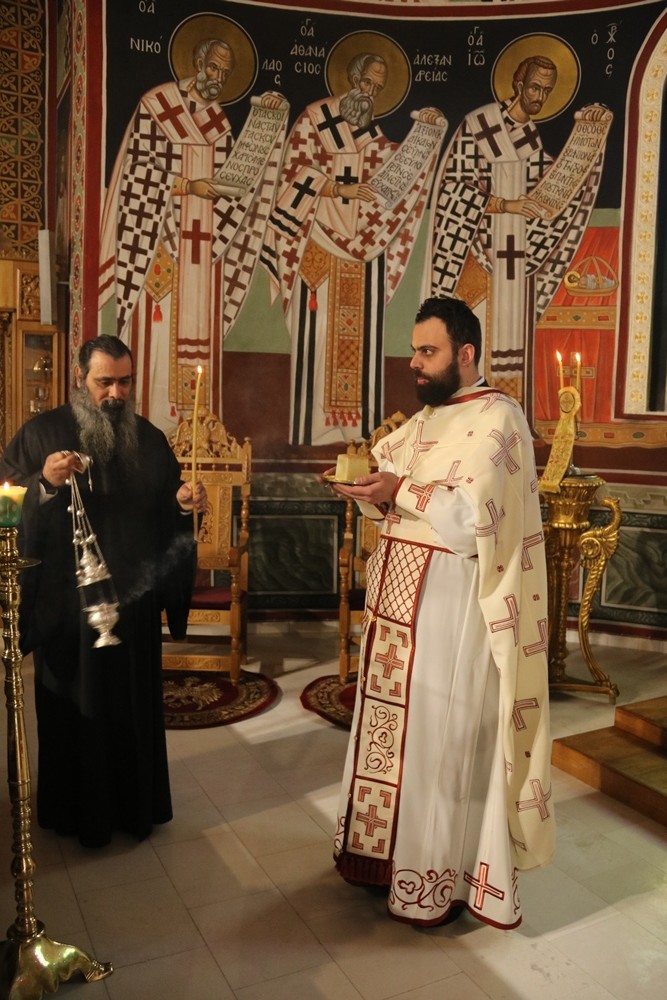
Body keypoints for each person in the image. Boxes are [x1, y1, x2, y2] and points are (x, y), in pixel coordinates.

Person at [327, 296, 554, 928]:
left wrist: (399, 489)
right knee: (390, 735)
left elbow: (476, 520)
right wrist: (365, 489)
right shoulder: (424, 421)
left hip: (451, 609)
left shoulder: (499, 420)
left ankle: (432, 878)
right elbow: (388, 484)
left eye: (428, 352)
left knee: (437, 738)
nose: (415, 363)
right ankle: (379, 859)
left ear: (466, 353)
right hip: (396, 602)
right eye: (414, 351)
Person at [0, 335, 207, 848]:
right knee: (77, 712)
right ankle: (76, 813)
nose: (116, 393)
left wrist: (182, 505)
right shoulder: (41, 434)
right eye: (104, 382)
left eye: (125, 382)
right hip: (68, 610)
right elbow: (5, 505)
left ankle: (135, 810)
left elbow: (169, 512)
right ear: (80, 377)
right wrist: (43, 484)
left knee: (130, 710)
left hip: (133, 607)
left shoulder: (149, 439)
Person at [98, 36, 287, 430]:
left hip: (202, 259)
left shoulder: (219, 124)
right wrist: (188, 186)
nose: (217, 78)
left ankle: (193, 430)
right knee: (156, 341)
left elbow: (237, 188)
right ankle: (148, 430)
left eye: (225, 73)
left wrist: (266, 127)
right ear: (198, 63)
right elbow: (137, 173)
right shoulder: (158, 105)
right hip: (158, 246)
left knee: (199, 343)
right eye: (213, 68)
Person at [261, 51, 444, 446]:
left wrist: (424, 137)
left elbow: (392, 171)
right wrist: (336, 188)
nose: (371, 92)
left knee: (357, 340)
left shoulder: (368, 131)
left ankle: (354, 430)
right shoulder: (315, 119)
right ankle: (315, 429)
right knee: (317, 337)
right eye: (366, 83)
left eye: (378, 88)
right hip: (317, 241)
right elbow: (290, 176)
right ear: (352, 78)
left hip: (361, 253)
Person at [427, 54, 608, 412]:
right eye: (535, 88)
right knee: (469, 338)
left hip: (515, 257)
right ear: (518, 85)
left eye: (547, 91)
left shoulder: (529, 137)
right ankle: (464, 415)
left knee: (507, 339)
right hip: (475, 253)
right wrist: (505, 205)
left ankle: (505, 416)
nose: (540, 97)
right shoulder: (480, 125)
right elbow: (453, 190)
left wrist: (587, 142)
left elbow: (553, 184)